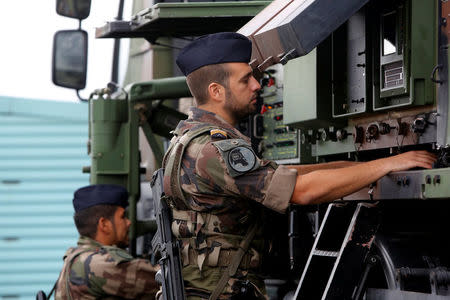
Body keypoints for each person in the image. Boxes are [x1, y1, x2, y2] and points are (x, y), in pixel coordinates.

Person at [162, 32, 436, 299]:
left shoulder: (188, 137)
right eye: (246, 80)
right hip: (220, 290)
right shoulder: (215, 149)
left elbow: (279, 176)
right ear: (216, 91)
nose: (257, 85)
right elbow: (300, 191)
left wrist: (348, 167)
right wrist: (392, 163)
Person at [54, 184, 159, 300]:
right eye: (122, 216)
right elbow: (164, 278)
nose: (128, 222)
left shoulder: (74, 257)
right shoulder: (97, 264)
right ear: (104, 225)